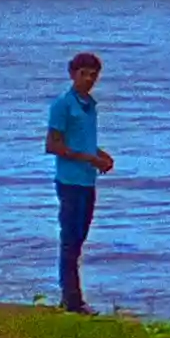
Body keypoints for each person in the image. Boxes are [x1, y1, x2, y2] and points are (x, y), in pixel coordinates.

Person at [43, 52, 113, 313]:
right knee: (70, 239)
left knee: (79, 239)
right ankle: (72, 299)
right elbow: (53, 144)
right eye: (84, 73)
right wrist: (88, 158)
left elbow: (82, 140)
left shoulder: (90, 105)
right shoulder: (63, 104)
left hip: (87, 181)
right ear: (73, 74)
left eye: (94, 74)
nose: (89, 79)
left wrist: (99, 154)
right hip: (70, 180)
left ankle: (70, 296)